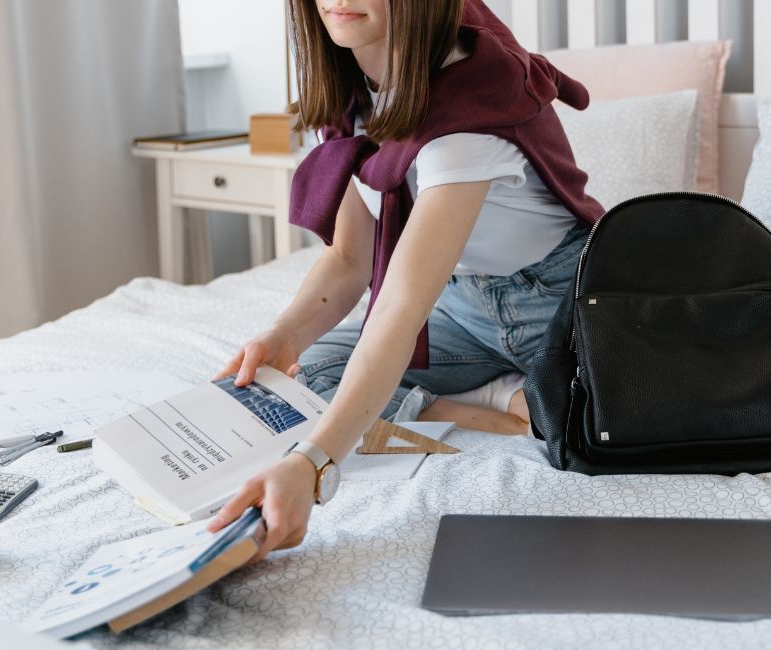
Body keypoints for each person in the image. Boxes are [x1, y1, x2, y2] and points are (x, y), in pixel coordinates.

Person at [207, 0, 604, 561]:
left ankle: (532, 399)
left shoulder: (470, 105)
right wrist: (284, 336)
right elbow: (350, 259)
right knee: (304, 379)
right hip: (461, 304)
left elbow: (398, 304)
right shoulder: (353, 91)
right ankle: (508, 402)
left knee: (610, 422)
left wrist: (312, 464)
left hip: (557, 303)